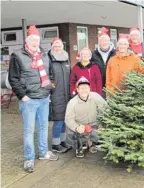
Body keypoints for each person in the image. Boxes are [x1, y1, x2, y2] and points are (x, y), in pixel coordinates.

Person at [8, 25, 58, 173]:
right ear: (27, 41)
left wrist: (49, 90)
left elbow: (50, 74)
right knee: (29, 130)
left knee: (44, 127)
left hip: (43, 97)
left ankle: (43, 153)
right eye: (32, 40)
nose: (35, 43)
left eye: (37, 40)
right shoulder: (17, 56)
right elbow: (13, 78)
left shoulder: (44, 54)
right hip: (28, 99)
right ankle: (29, 158)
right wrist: (22, 96)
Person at [65, 77, 107, 158]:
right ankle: (80, 146)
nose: (84, 90)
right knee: (74, 132)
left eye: (86, 87)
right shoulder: (72, 103)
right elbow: (68, 119)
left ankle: (93, 142)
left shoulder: (96, 97)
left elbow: (105, 110)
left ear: (89, 88)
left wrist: (103, 124)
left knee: (101, 131)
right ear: (77, 89)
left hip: (94, 124)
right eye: (82, 88)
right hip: (80, 126)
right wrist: (76, 127)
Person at [48, 37, 72, 153]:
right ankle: (55, 144)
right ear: (52, 47)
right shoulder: (49, 59)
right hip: (56, 94)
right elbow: (48, 76)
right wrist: (52, 88)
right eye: (55, 46)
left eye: (59, 46)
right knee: (58, 120)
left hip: (66, 95)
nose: (57, 48)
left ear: (63, 47)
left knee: (64, 120)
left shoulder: (66, 59)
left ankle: (62, 141)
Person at [91, 27, 116, 99]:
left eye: (106, 40)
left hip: (113, 87)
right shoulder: (93, 54)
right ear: (99, 43)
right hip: (99, 88)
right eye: (102, 41)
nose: (105, 42)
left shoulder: (115, 54)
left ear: (109, 42)